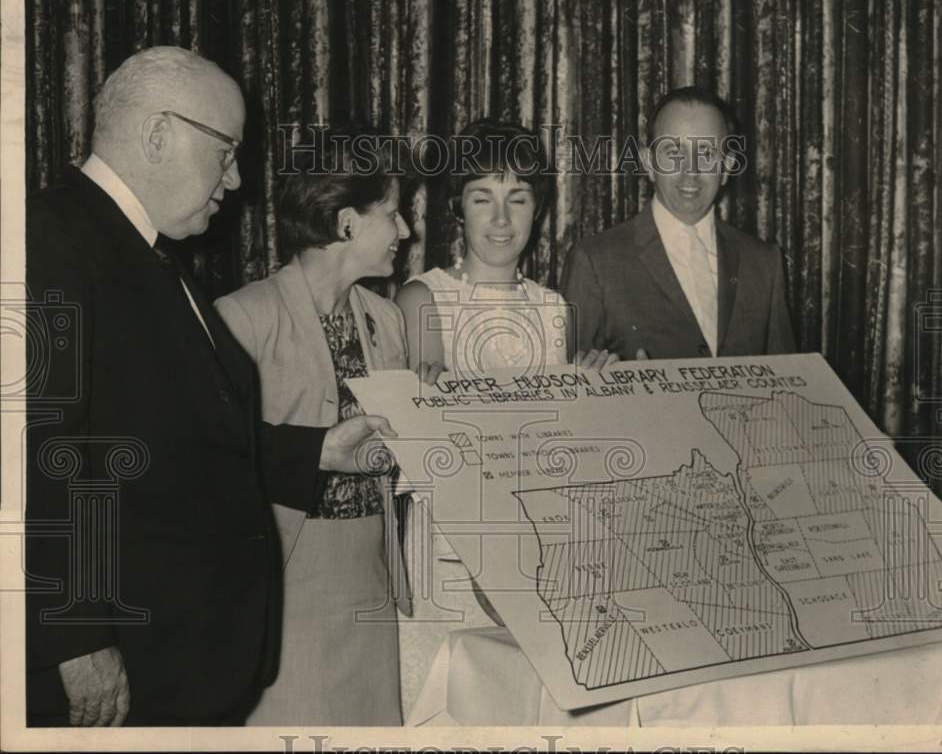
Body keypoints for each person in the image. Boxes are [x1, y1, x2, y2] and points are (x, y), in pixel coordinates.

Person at [24, 47, 393, 727]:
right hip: (121, 663)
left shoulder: (148, 249)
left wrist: (317, 452)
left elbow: (174, 439)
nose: (237, 178)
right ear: (158, 134)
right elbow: (30, 457)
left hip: (176, 659)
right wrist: (74, 638)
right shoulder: (48, 239)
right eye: (225, 150)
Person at [394, 117, 614, 713]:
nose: (499, 219)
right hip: (448, 544)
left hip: (535, 546)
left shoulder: (553, 311)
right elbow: (430, 443)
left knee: (522, 707)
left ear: (536, 211)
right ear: (457, 210)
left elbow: (565, 449)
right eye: (481, 198)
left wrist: (593, 397)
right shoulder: (423, 298)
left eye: (516, 199)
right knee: (447, 704)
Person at [215, 130, 415, 725]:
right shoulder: (241, 318)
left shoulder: (386, 319)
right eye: (393, 215)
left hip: (372, 577)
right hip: (285, 585)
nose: (405, 232)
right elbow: (210, 469)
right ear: (348, 225)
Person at [561, 86, 796, 360]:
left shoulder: (765, 263)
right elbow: (570, 391)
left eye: (706, 153)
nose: (690, 171)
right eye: (674, 152)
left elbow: (786, 388)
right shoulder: (595, 262)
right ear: (648, 162)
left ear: (727, 165)